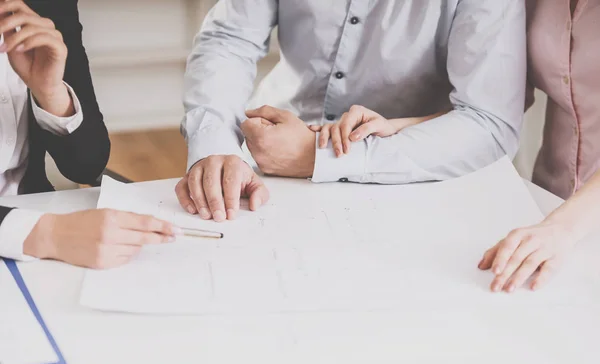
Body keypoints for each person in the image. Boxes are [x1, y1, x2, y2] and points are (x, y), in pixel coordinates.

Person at [176, 0, 526, 223]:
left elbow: (490, 124)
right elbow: (230, 39)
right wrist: (215, 142)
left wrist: (317, 156)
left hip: (412, 179)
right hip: (267, 161)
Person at [0, 0, 177, 268]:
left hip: (31, 224)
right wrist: (48, 234)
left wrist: (51, 93)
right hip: (29, 233)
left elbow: (86, 164)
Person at [478, 0, 600, 293]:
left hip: (567, 225)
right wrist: (409, 126)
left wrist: (562, 228)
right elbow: (500, 102)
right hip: (542, 208)